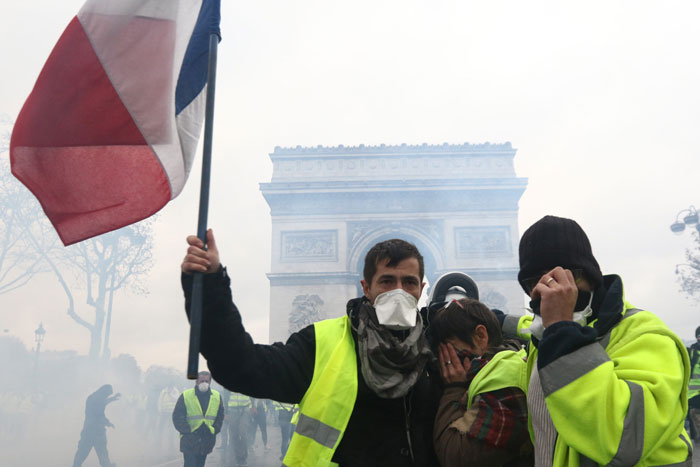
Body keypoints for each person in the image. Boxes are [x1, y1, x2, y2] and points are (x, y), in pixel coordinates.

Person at [181, 230, 440, 466]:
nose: (399, 291)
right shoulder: (321, 344)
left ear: (422, 288)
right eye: (386, 281)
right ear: (366, 288)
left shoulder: (439, 351)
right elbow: (242, 366)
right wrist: (211, 287)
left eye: (409, 282)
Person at [502, 215, 693, 466]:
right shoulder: (547, 338)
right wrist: (497, 320)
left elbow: (623, 438)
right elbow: (526, 326)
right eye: (534, 281)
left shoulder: (647, 334)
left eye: (567, 276)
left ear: (593, 276)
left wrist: (561, 327)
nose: (552, 290)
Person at [430, 298, 532, 466]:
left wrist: (453, 389)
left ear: (481, 335)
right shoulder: (508, 359)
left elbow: (454, 457)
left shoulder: (503, 382)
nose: (448, 365)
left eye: (453, 353)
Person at [172, 371, 224, 467]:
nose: (204, 383)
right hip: (189, 439)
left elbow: (220, 416)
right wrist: (188, 431)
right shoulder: (186, 395)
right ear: (196, 382)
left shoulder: (216, 396)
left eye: (206, 381)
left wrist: (214, 430)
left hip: (206, 438)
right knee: (190, 464)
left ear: (210, 382)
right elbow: (177, 416)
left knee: (200, 464)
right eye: (201, 381)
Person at [72, 384, 119, 467]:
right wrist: (108, 423)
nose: (108, 396)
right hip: (96, 432)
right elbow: (99, 415)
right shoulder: (99, 400)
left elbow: (103, 402)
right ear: (105, 392)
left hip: (88, 430)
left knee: (82, 453)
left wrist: (112, 399)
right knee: (101, 453)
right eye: (108, 394)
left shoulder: (93, 397)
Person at [226, 391, 252, 467]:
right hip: (232, 411)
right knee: (234, 435)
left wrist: (253, 406)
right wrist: (226, 413)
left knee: (242, 432)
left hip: (245, 410)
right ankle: (238, 457)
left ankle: (243, 456)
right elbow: (225, 397)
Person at [688, 326, 700, 442]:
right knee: (694, 412)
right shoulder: (693, 351)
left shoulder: (693, 351)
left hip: (693, 392)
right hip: (693, 391)